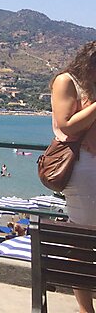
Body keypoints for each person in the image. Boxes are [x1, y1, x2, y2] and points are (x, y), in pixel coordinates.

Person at [50, 42, 96, 313]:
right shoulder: (67, 82)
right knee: (83, 241)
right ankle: (85, 309)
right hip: (83, 169)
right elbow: (66, 125)